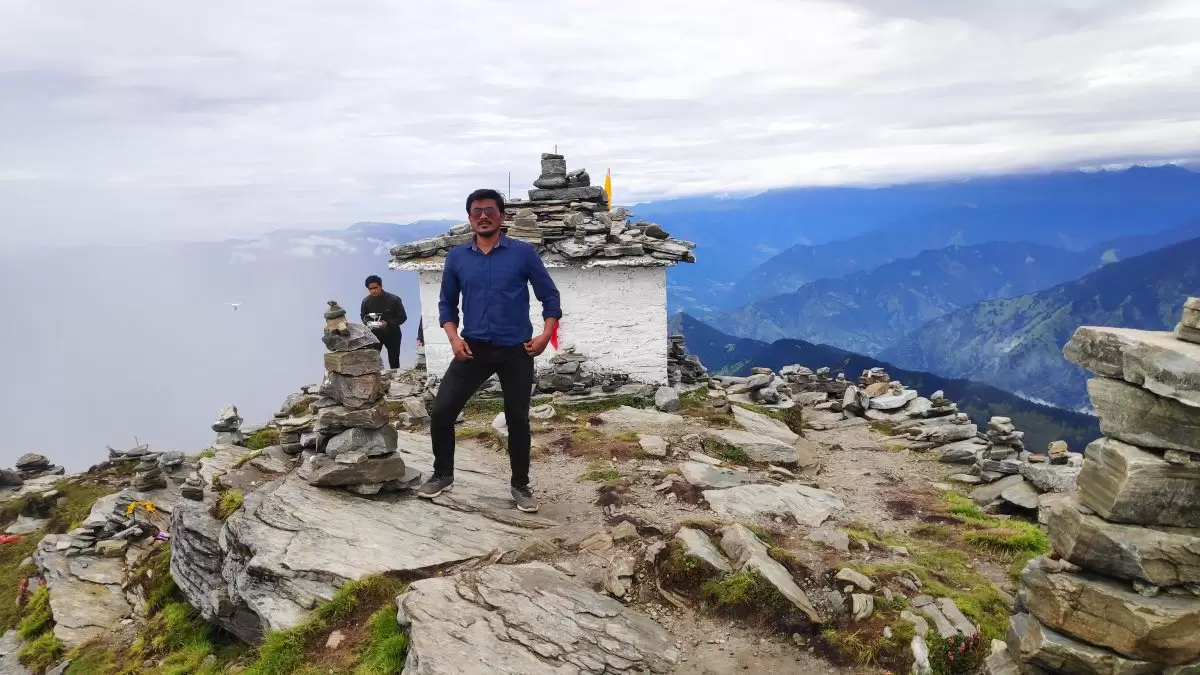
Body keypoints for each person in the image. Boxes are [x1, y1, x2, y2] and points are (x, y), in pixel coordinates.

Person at [417, 188, 561, 512]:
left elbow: (550, 297)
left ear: (502, 216)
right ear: (470, 218)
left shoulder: (522, 253)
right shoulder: (457, 257)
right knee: (441, 412)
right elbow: (446, 303)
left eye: (490, 211)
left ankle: (520, 485)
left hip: (517, 350)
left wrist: (545, 336)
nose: (483, 216)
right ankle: (442, 474)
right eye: (476, 211)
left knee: (517, 419)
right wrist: (454, 339)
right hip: (473, 349)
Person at [360, 275, 407, 369]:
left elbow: (402, 317)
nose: (373, 291)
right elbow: (364, 317)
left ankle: (395, 379)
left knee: (394, 360)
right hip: (375, 335)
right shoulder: (366, 301)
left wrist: (388, 323)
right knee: (373, 359)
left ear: (381, 286)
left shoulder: (394, 299)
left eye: (375, 288)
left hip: (393, 334)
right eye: (370, 289)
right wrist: (371, 324)